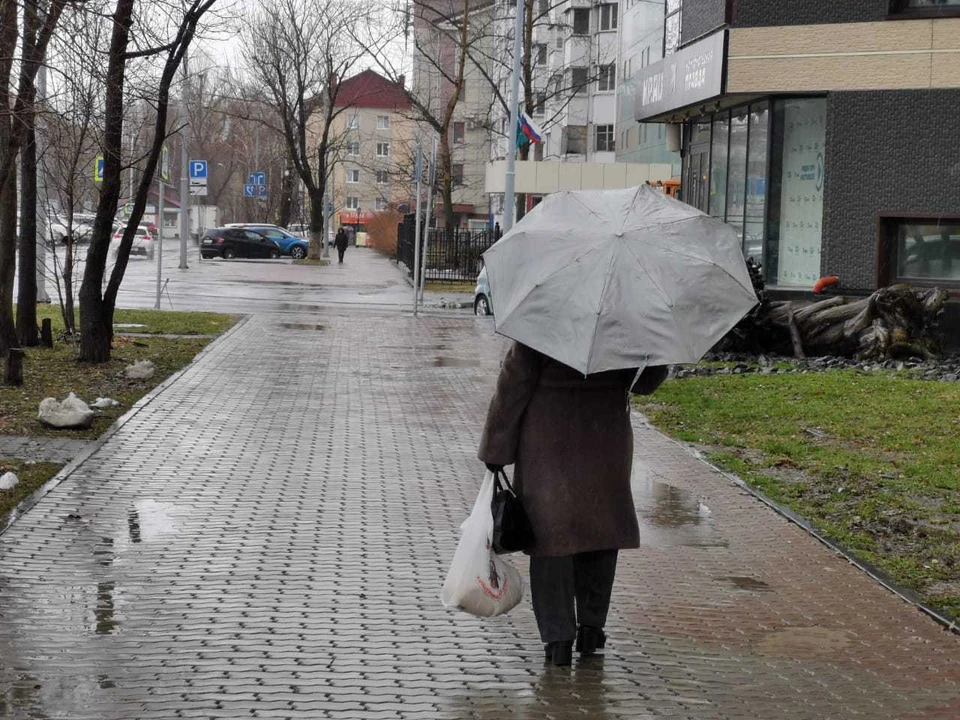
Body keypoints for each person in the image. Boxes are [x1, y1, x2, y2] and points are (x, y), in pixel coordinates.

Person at [478, 342, 668, 666]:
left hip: (549, 439)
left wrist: (496, 450)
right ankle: (592, 630)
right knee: (601, 532)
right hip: (606, 436)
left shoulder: (543, 318)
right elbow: (647, 383)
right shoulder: (625, 321)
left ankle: (558, 640)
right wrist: (657, 350)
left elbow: (514, 384)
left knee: (551, 539)